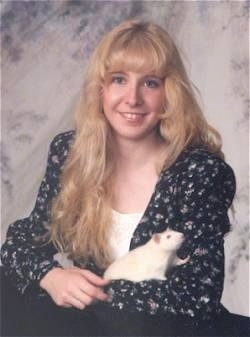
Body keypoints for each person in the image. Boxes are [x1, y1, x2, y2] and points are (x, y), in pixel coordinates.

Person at [1, 19, 249, 337]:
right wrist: (52, 276)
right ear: (101, 89)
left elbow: (199, 294)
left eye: (150, 83)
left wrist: (98, 295)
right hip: (97, 324)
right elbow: (21, 245)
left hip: (169, 329)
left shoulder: (200, 173)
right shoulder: (71, 152)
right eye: (119, 79)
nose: (132, 98)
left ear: (169, 93)